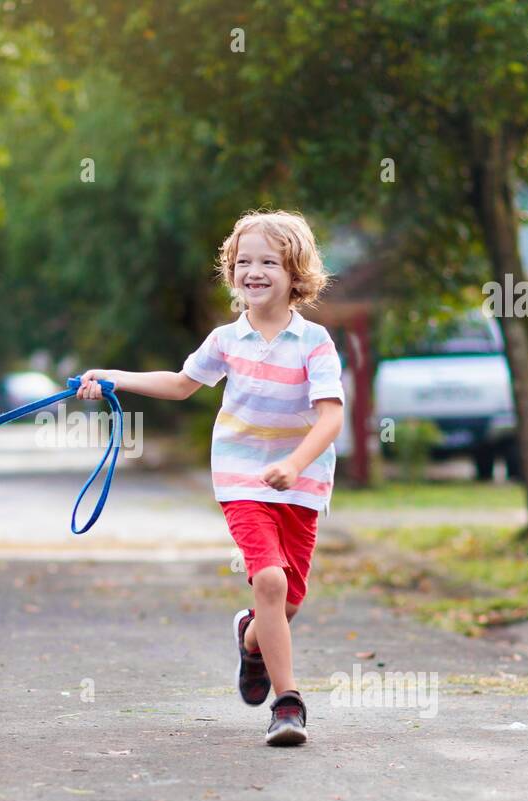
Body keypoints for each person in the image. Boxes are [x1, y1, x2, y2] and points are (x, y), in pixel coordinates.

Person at [76, 209, 344, 746]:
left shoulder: (314, 342)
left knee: (288, 601)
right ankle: (288, 705)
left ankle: (252, 640)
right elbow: (180, 383)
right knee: (268, 580)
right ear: (232, 271)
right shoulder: (227, 339)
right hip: (241, 476)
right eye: (244, 261)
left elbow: (331, 415)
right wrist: (114, 378)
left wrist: (294, 464)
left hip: (302, 483)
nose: (255, 271)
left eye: (269, 261)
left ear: (295, 274)